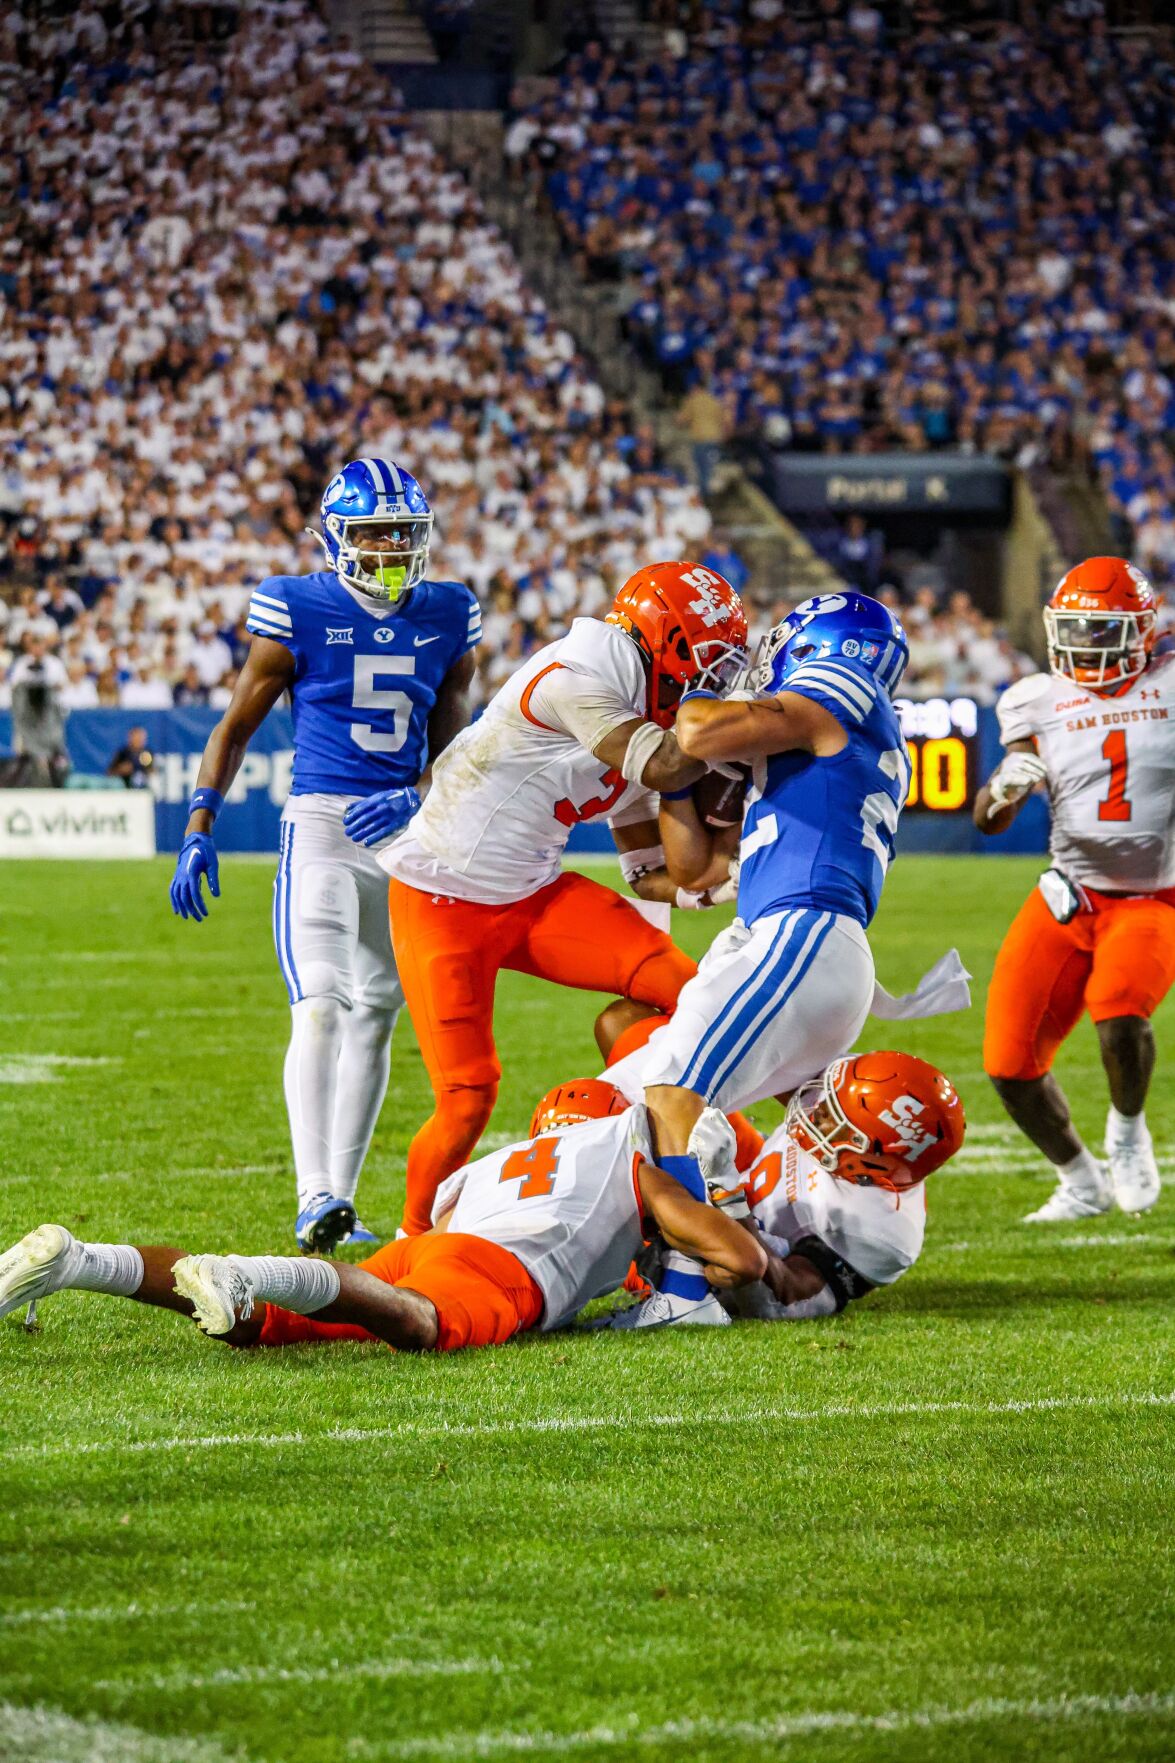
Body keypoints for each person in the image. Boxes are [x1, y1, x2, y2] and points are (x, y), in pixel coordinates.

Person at [378, 559, 748, 1236]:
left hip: (532, 894)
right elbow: (667, 765)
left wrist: (713, 886)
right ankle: (410, 1240)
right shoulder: (579, 674)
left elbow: (646, 872)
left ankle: (723, 1178)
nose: (718, 680)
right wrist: (748, 731)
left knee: (694, 996)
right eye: (710, 658)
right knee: (466, 1098)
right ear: (664, 640)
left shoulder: (647, 704)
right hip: (442, 898)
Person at [168, 459, 478, 1253]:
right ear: (335, 537)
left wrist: (421, 797)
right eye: (373, 532)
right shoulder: (297, 605)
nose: (389, 549)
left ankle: (338, 1199)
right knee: (321, 1002)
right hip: (324, 825)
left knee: (378, 1011)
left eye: (402, 534)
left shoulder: (447, 612)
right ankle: (311, 1194)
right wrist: (200, 821)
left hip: (406, 834)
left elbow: (454, 742)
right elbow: (234, 725)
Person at [0, 1086, 768, 1353]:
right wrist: (689, 1226)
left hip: (434, 1242)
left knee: (271, 1327)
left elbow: (431, 1220)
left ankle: (78, 1260)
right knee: (420, 1324)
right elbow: (744, 1261)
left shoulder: (498, 1160)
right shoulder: (629, 1159)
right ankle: (243, 1273)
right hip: (500, 1269)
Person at [630, 593, 915, 1208]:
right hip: (788, 937)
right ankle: (791, 1252)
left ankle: (682, 1285)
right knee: (628, 1098)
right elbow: (698, 869)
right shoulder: (828, 742)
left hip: (803, 931)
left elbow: (701, 729)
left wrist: (699, 688)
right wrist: (677, 782)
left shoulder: (842, 679)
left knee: (670, 1095)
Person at [975, 557, 1175, 1221]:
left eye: (1101, 630)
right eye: (1076, 629)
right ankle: (1079, 1179)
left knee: (1118, 1010)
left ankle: (1124, 1131)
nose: (1085, 645)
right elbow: (987, 814)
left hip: (1152, 894)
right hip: (1068, 894)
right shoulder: (1034, 699)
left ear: (1142, 630)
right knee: (1007, 1062)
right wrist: (1002, 791)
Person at [8, 636, 69, 787]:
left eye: (40, 647)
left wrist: (46, 685)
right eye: (34, 647)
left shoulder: (54, 664)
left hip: (49, 715)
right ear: (30, 648)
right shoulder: (22, 663)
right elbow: (15, 687)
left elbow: (62, 685)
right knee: (25, 751)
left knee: (54, 749)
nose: (37, 650)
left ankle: (55, 781)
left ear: (45, 647)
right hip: (28, 717)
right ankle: (25, 783)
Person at [106, 726, 155, 790]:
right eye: (136, 737)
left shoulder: (147, 753)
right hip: (125, 791)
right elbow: (109, 773)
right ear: (130, 738)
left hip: (143, 790)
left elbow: (152, 771)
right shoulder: (123, 753)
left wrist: (149, 770)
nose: (138, 740)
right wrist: (121, 770)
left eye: (141, 738)